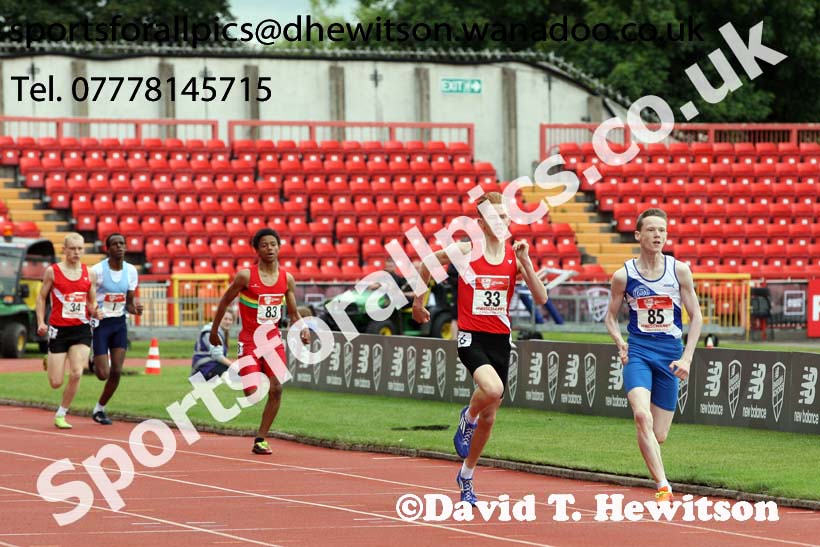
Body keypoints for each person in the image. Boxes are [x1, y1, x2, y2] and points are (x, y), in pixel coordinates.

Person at [412, 192, 548, 504]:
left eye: (504, 217)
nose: (500, 222)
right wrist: (418, 302)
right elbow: (427, 261)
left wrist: (526, 260)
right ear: (480, 223)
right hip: (470, 335)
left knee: (490, 417)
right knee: (493, 388)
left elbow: (541, 298)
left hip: (500, 339)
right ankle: (466, 417)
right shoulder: (465, 251)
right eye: (493, 217)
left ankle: (467, 475)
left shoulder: (516, 255)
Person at [604, 208, 703, 502]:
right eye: (651, 230)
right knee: (640, 414)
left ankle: (657, 471)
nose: (657, 235)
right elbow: (610, 317)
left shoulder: (679, 271)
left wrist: (686, 358)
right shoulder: (623, 276)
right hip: (639, 353)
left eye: (662, 230)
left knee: (658, 434)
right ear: (638, 235)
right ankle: (663, 485)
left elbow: (696, 317)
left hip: (670, 356)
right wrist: (620, 342)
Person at [209, 228, 310, 455]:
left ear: (279, 247)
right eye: (264, 245)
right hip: (250, 341)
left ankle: (261, 438)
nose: (270, 248)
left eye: (273, 244)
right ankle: (251, 373)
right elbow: (225, 302)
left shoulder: (287, 279)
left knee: (276, 389)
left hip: (273, 341)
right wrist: (214, 331)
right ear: (256, 249)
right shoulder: (246, 276)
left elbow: (293, 313)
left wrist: (302, 328)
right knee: (252, 393)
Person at [36, 233, 103, 429]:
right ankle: (50, 358)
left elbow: (91, 301)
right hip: (58, 330)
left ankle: (61, 413)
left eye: (80, 249)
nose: (76, 252)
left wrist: (95, 310)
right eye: (72, 248)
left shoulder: (89, 273)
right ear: (64, 250)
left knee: (76, 372)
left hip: (81, 329)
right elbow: (41, 298)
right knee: (56, 382)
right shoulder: (53, 272)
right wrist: (41, 322)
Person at [89, 233, 143, 425]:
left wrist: (135, 310)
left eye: (122, 244)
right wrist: (94, 310)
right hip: (101, 324)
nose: (119, 247)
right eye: (115, 244)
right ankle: (93, 359)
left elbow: (128, 303)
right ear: (108, 248)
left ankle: (99, 409)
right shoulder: (97, 271)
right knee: (102, 374)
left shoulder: (131, 271)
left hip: (119, 324)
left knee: (117, 371)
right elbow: (89, 298)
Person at [191, 309, 235, 381]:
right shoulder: (211, 332)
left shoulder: (219, 331)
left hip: (208, 366)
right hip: (202, 370)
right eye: (225, 319)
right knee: (234, 372)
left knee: (235, 372)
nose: (228, 322)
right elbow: (217, 356)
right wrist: (234, 366)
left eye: (230, 320)